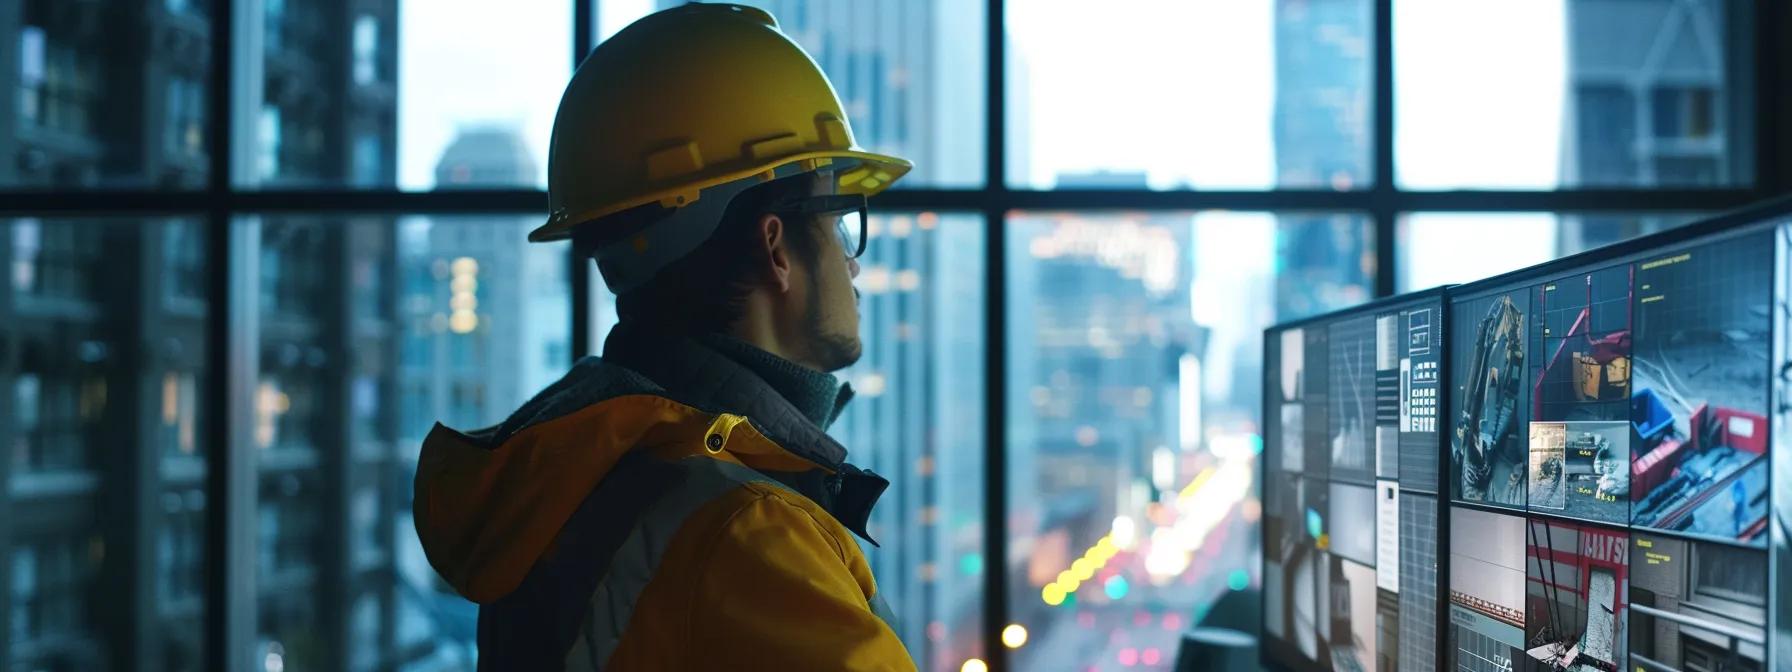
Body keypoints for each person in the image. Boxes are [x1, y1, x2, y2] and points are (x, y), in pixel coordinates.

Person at [411, 4, 916, 670]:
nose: (852, 264)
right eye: (839, 223)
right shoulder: (750, 535)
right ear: (776, 247)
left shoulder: (581, 480)